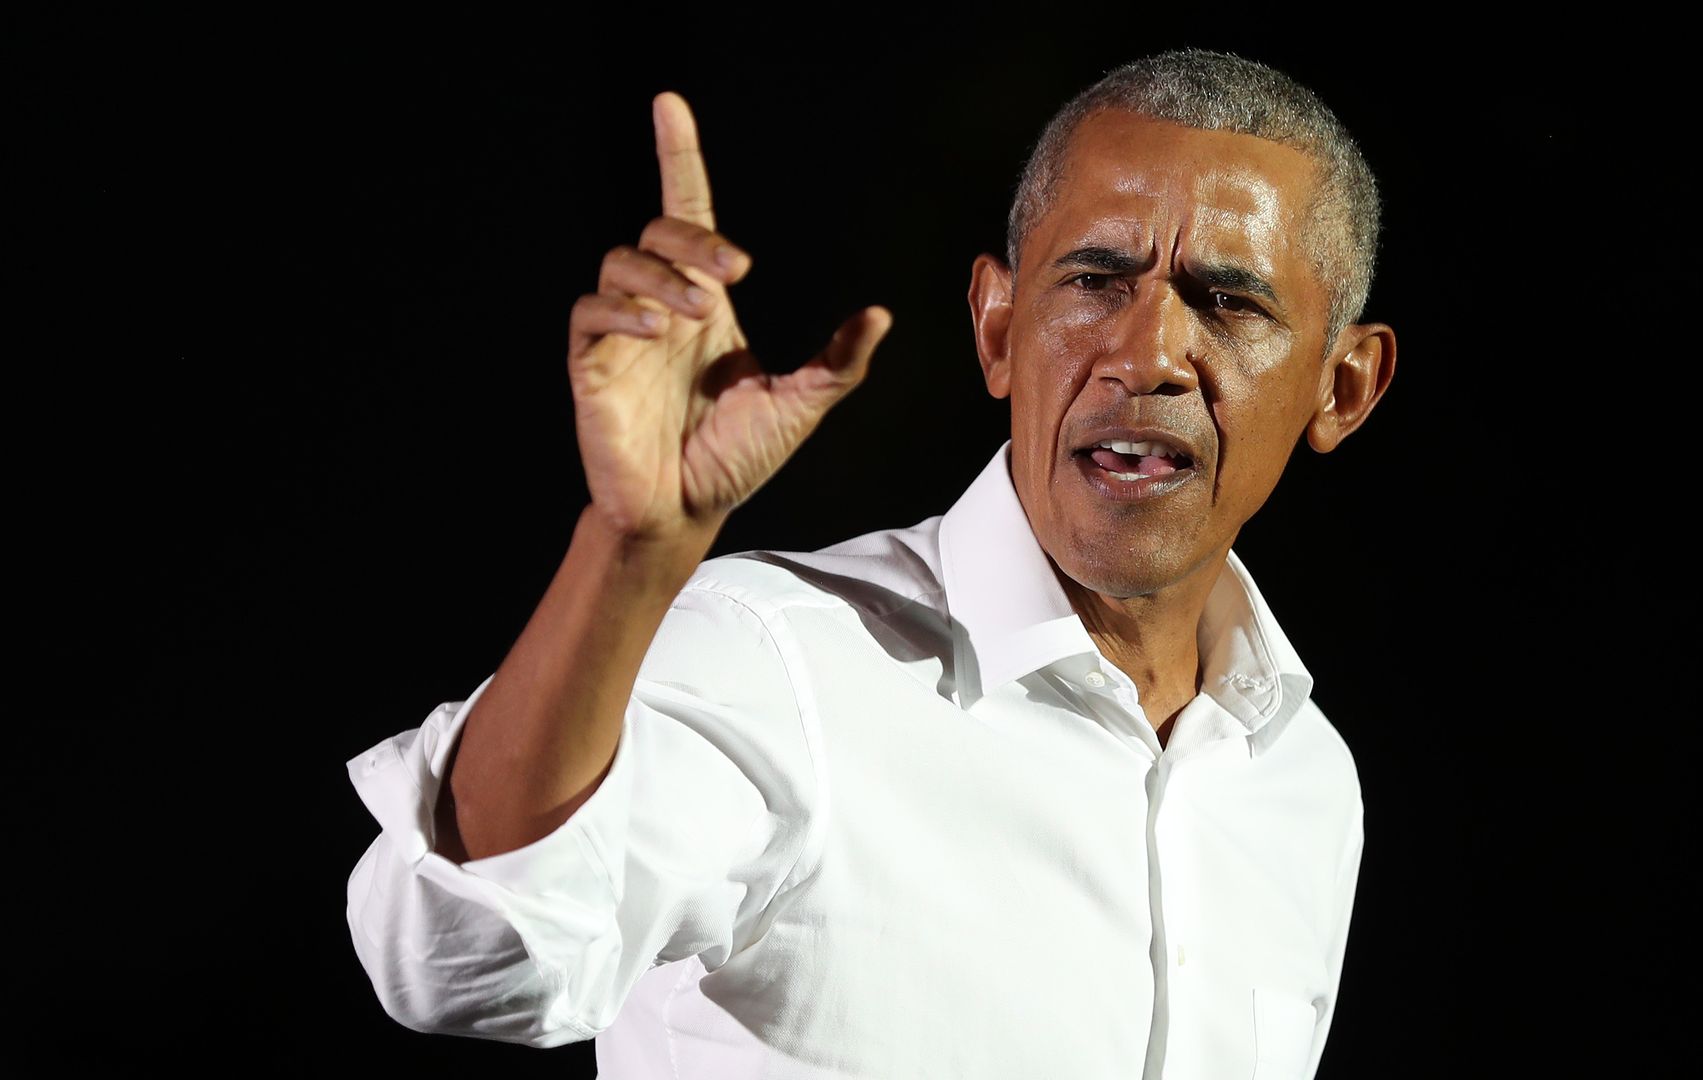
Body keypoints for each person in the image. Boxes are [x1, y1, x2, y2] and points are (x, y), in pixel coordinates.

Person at [345, 46, 1396, 1080]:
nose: (1147, 352)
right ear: (995, 329)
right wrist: (631, 550)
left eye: (1226, 301)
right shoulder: (778, 661)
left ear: (1342, 388)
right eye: (1095, 279)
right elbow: (457, 955)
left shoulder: (1304, 781)